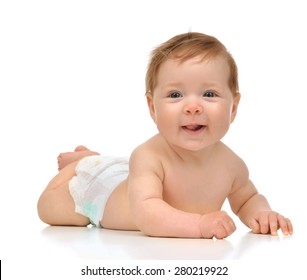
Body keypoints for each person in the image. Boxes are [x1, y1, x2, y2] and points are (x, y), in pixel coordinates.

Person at [37, 32, 293, 239]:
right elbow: (146, 213)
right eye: (175, 95)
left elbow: (247, 198)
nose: (193, 106)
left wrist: (262, 214)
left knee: (124, 173)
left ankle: (90, 159)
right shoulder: (148, 156)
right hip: (99, 196)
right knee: (49, 210)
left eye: (209, 94)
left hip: (127, 176)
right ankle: (81, 164)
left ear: (233, 108)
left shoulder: (232, 165)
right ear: (153, 108)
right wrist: (200, 225)